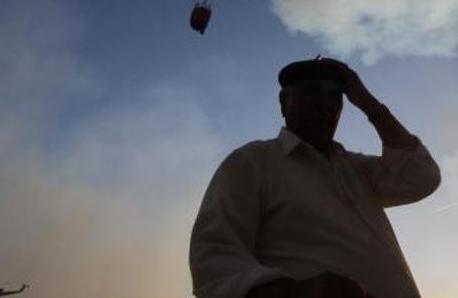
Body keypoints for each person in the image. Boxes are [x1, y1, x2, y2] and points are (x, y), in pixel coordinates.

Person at [189, 57, 441, 298]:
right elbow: (214, 255)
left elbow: (422, 177)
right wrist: (294, 293)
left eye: (334, 97)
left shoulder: (355, 167)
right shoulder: (253, 161)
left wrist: (367, 102)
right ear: (283, 101)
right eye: (310, 92)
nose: (324, 104)